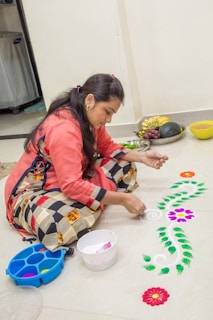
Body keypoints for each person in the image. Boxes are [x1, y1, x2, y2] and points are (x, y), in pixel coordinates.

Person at [5, 73, 168, 251]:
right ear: (90, 100)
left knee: (124, 165)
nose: (109, 120)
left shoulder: (87, 116)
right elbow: (71, 185)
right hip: (35, 191)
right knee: (59, 224)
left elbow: (106, 146)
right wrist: (122, 199)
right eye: (107, 112)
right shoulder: (63, 129)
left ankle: (93, 200)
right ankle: (96, 199)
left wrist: (141, 157)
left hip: (70, 177)